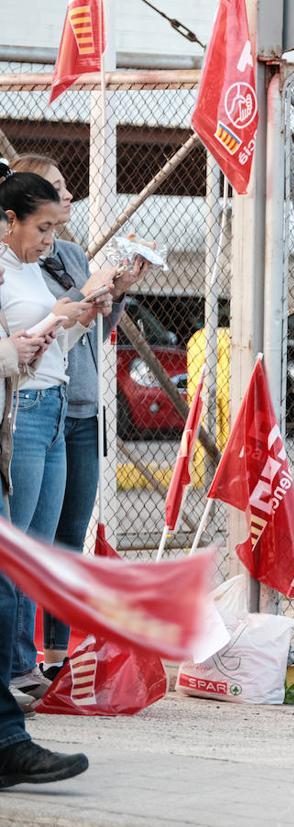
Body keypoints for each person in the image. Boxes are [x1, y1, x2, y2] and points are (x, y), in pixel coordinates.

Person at [9, 154, 146, 679]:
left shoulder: (67, 254)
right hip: (31, 406)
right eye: (57, 189)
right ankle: (22, 665)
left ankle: (53, 659)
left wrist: (112, 294)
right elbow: (39, 328)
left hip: (75, 402)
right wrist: (75, 301)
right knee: (26, 544)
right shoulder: (14, 268)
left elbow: (85, 331)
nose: (68, 198)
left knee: (63, 539)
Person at [0, 166, 114, 709]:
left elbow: (52, 349)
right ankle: (12, 668)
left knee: (37, 551)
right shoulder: (2, 269)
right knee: (16, 549)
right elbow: (16, 347)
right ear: (10, 220)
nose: (49, 241)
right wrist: (54, 320)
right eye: (41, 228)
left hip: (53, 403)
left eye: (53, 230)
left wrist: (76, 318)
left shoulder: (28, 270)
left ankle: (22, 665)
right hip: (21, 411)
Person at [0, 230, 89, 788]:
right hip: (25, 411)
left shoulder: (30, 266)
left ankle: (8, 741)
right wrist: (11, 351)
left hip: (18, 419)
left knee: (13, 578)